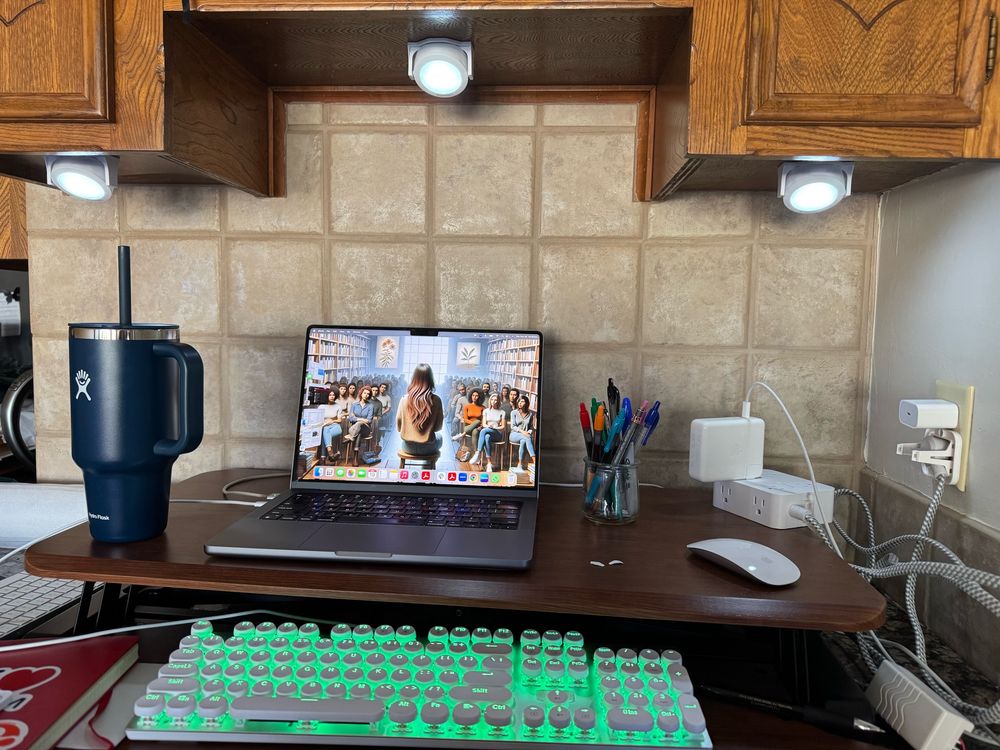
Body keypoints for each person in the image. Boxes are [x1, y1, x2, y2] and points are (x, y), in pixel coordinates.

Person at [396, 364, 444, 456]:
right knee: (439, 437)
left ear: (414, 378)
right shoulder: (437, 400)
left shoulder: (404, 399)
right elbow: (438, 428)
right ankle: (428, 470)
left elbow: (399, 425)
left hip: (408, 447)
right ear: (431, 379)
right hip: (428, 448)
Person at [471, 393, 506, 472]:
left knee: (484, 431)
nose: (494, 401)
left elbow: (503, 427)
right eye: (492, 400)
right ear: (490, 401)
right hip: (488, 431)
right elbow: (484, 424)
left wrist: (495, 427)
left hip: (497, 433)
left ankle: (478, 453)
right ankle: (489, 464)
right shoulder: (486, 411)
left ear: (498, 401)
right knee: (487, 437)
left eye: (496, 400)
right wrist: (489, 427)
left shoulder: (502, 412)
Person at [346, 385, 374, 463]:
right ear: (361, 393)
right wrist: (361, 419)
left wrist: (357, 419)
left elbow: (369, 420)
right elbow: (351, 418)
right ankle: (355, 457)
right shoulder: (354, 404)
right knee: (359, 432)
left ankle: (352, 438)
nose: (366, 395)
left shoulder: (370, 406)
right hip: (355, 429)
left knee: (359, 425)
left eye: (368, 394)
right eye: (365, 393)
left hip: (366, 429)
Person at [508, 395, 536, 474]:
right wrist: (523, 432)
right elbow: (513, 426)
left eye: (522, 401)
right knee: (526, 437)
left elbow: (531, 427)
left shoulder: (530, 414)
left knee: (524, 440)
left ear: (526, 403)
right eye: (519, 401)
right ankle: (534, 460)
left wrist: (529, 432)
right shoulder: (514, 412)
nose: (520, 403)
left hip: (525, 436)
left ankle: (519, 464)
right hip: (514, 435)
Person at [320, 390, 346, 463]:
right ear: (327, 396)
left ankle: (325, 457)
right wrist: (325, 423)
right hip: (325, 427)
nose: (332, 396)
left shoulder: (338, 406)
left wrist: (332, 421)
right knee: (325, 431)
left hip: (335, 427)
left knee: (325, 433)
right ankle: (330, 455)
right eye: (330, 395)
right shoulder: (321, 406)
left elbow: (339, 420)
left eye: (333, 395)